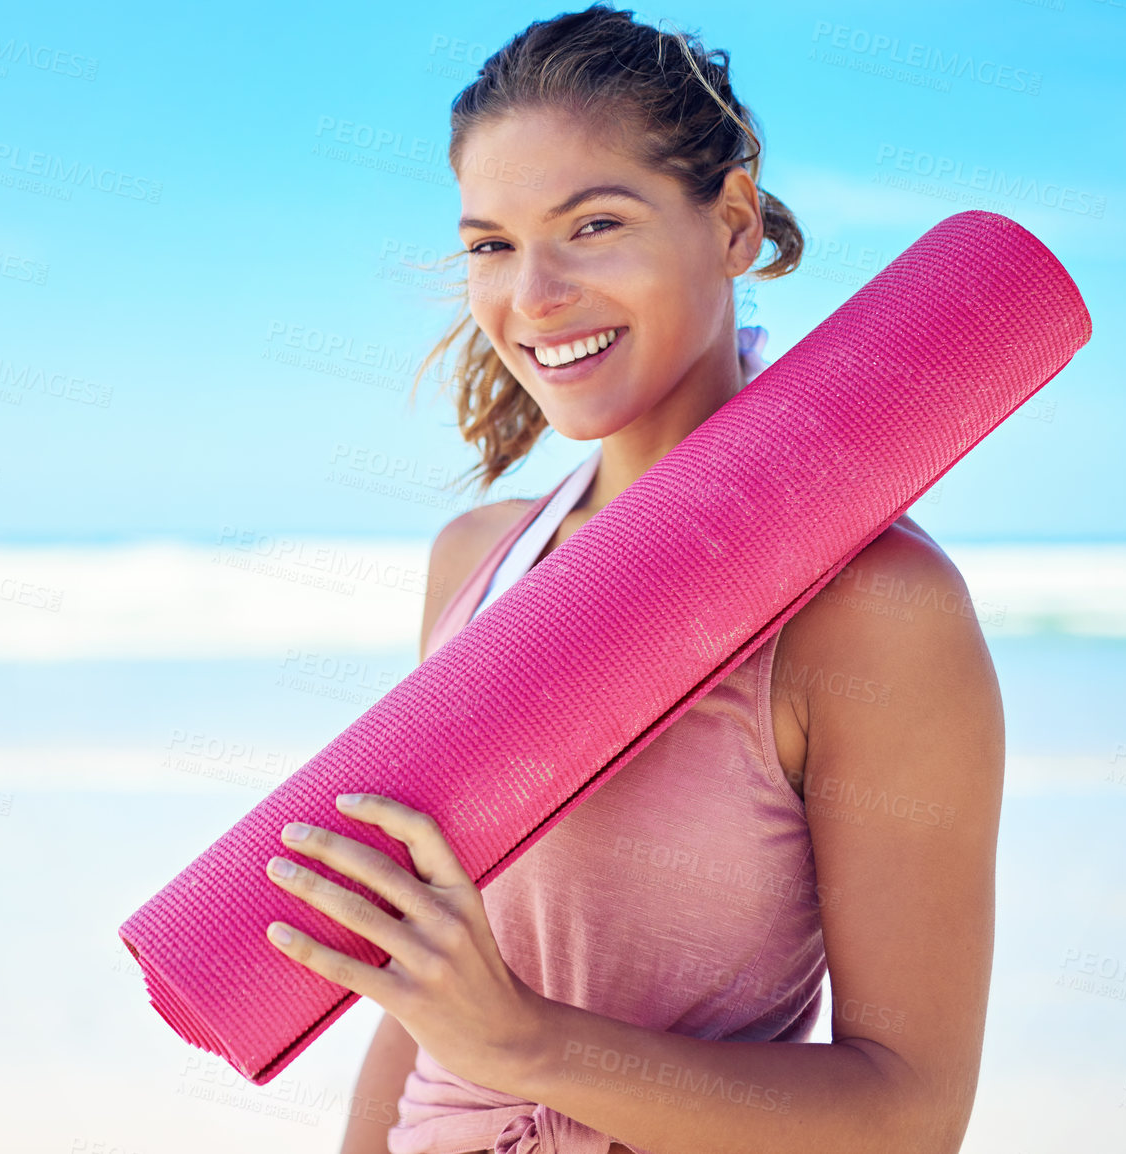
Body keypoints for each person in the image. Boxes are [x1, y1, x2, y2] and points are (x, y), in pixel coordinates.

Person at [258, 7, 1004, 1153]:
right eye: (491, 244)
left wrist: (524, 1043)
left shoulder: (871, 610)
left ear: (732, 224)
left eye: (591, 224)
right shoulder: (475, 562)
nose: (534, 294)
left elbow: (908, 1117)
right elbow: (423, 999)